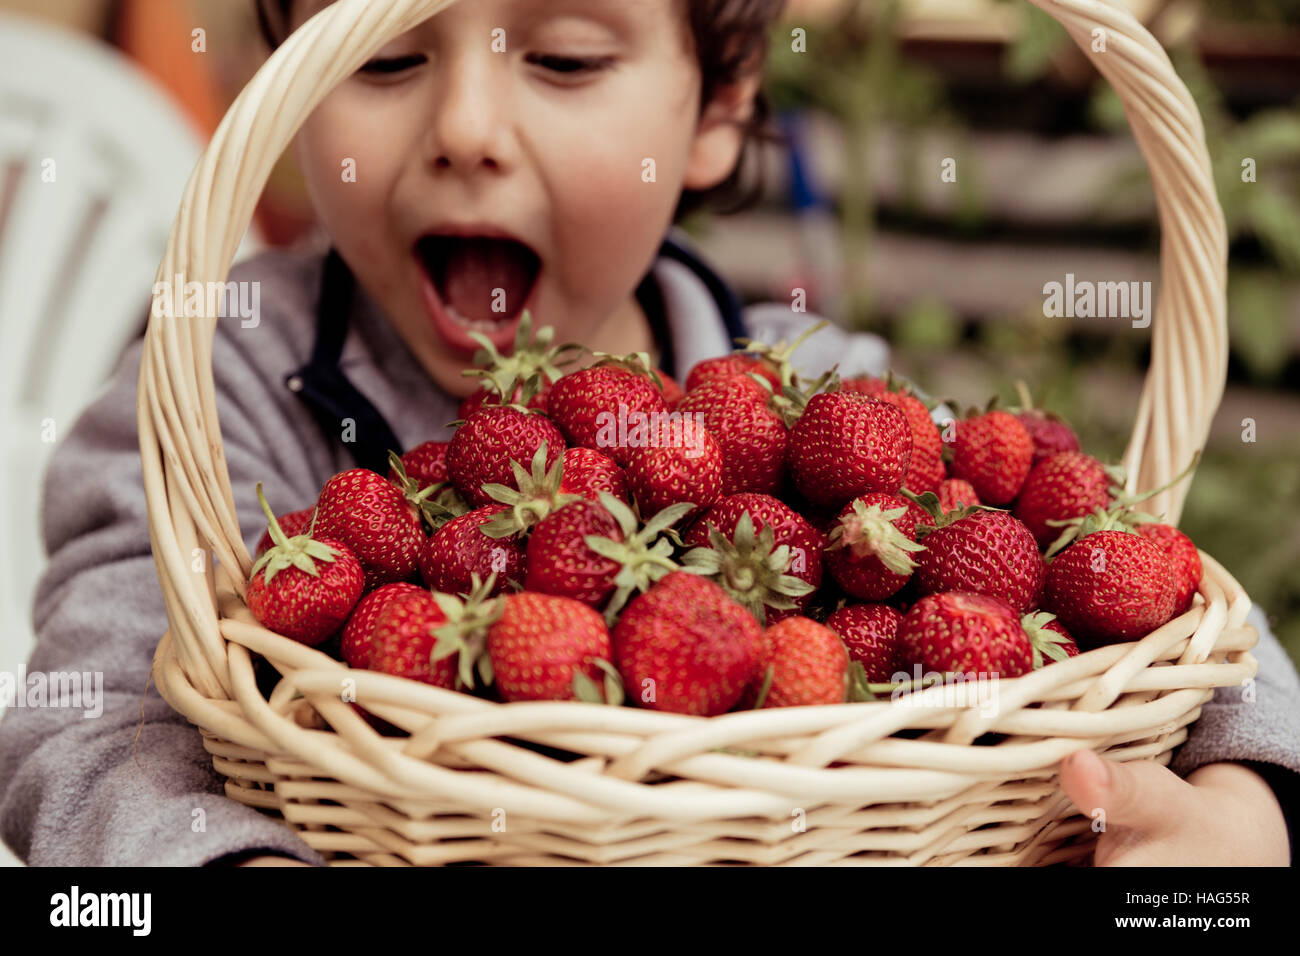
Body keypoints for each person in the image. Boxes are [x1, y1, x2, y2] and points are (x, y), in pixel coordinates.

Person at [0, 0, 1295, 868]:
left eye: (563, 58)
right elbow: (84, 725)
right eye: (385, 55)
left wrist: (1246, 809)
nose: (460, 131)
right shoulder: (230, 385)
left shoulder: (826, 404)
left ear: (720, 105)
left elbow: (1164, 617)